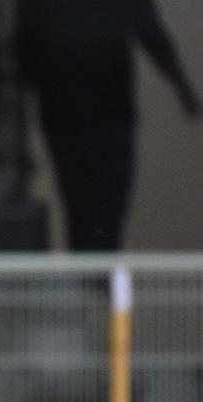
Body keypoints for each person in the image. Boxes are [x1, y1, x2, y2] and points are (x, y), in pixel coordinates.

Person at [16, 0, 200, 251]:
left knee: (95, 205)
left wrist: (184, 89)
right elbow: (24, 51)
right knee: (91, 205)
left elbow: (153, 37)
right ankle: (93, 263)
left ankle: (96, 263)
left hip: (94, 113)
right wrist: (183, 90)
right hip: (74, 114)